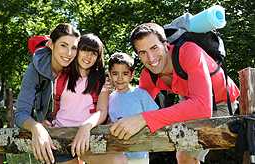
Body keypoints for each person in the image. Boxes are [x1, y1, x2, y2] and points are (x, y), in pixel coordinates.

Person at [110, 23, 240, 164]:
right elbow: (136, 106)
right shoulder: (148, 75)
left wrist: (143, 119)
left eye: (154, 48)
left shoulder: (189, 51)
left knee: (185, 156)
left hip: (219, 103)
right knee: (183, 156)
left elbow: (202, 108)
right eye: (142, 52)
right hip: (188, 100)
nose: (151, 58)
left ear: (165, 44)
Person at [49, 34, 126, 164]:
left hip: (89, 135)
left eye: (94, 53)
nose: (89, 56)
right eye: (85, 50)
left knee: (118, 160)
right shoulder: (60, 75)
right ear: (76, 50)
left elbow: (102, 111)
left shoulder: (101, 80)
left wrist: (85, 127)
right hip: (61, 135)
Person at [15, 23, 80, 164]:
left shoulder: (79, 68)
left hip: (80, 133)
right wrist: (36, 127)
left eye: (73, 47)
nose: (69, 53)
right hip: (53, 137)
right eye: (63, 45)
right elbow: (20, 114)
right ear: (51, 44)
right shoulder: (34, 71)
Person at [107, 52, 159, 164]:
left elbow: (156, 116)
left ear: (131, 75)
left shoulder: (140, 94)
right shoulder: (109, 98)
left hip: (140, 154)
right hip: (117, 153)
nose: (120, 78)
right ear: (110, 75)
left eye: (125, 73)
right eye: (115, 73)